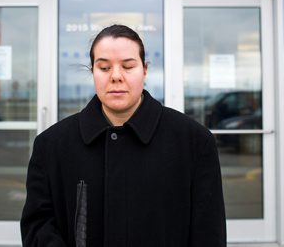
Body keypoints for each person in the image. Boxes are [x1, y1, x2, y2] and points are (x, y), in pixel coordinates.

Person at [20, 24, 226, 247]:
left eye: (128, 66)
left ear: (144, 70)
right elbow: (37, 226)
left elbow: (208, 232)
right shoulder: (51, 145)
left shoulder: (194, 142)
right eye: (104, 68)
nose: (116, 76)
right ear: (92, 72)